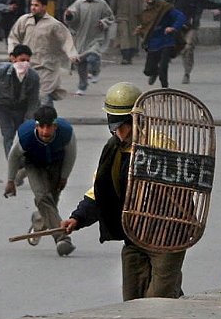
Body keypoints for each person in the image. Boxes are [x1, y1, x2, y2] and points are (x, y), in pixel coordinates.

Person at [62, 82, 186, 300]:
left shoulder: (163, 146)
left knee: (161, 300)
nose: (118, 133)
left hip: (167, 235)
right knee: (132, 300)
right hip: (134, 234)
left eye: (123, 126)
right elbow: (100, 190)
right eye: (114, 127)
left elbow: (184, 191)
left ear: (137, 120)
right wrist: (78, 218)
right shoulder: (113, 149)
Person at [4, 105, 77, 257]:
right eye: (41, 127)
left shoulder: (66, 132)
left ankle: (38, 219)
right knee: (43, 197)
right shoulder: (25, 134)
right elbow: (13, 156)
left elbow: (71, 155)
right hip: (33, 164)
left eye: (49, 127)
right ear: (36, 125)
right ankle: (62, 239)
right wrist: (11, 180)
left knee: (51, 202)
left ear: (55, 126)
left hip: (57, 163)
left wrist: (64, 176)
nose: (45, 131)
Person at [151, 0, 221, 84]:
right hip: (176, 26)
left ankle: (187, 73)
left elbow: (213, 1)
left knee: (188, 47)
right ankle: (157, 71)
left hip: (191, 28)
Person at [7, 0, 79, 105]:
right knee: (29, 96)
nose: (33, 8)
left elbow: (65, 39)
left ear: (44, 7)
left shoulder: (53, 24)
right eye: (32, 5)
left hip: (47, 66)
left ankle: (49, 119)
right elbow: (14, 37)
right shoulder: (24, 21)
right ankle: (34, 120)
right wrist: (13, 53)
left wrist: (72, 55)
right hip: (27, 65)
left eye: (36, 5)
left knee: (44, 95)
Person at [64, 0, 114, 95]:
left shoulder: (102, 4)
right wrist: (69, 16)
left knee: (93, 56)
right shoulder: (79, 3)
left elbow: (110, 17)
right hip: (81, 37)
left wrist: (103, 23)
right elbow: (72, 16)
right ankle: (82, 86)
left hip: (96, 37)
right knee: (81, 64)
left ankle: (95, 72)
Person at [135, 0, 185, 89]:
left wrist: (173, 28)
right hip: (153, 43)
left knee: (163, 67)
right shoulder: (144, 10)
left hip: (166, 41)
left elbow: (180, 17)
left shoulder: (164, 7)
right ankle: (155, 72)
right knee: (148, 71)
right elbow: (146, 26)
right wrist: (140, 30)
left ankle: (165, 89)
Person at [110, 0, 144, 65]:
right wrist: (112, 12)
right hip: (122, 15)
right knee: (124, 36)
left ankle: (130, 56)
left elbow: (141, 0)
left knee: (133, 36)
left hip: (135, 15)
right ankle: (125, 57)